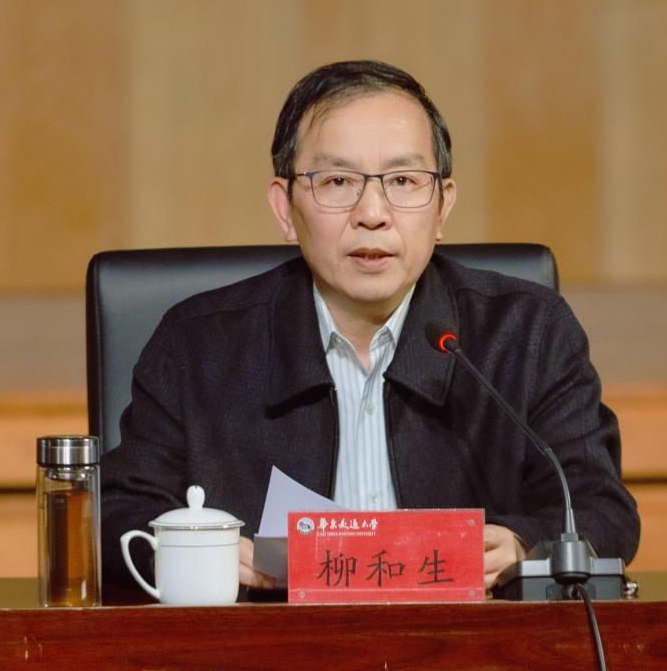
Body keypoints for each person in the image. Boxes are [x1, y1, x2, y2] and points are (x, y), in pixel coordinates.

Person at [101, 60, 639, 593]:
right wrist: (200, 554)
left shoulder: (526, 332)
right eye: (338, 181)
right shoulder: (197, 346)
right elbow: (117, 515)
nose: (373, 213)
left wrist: (524, 547)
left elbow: (600, 507)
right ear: (285, 209)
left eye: (403, 180)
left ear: (442, 206)